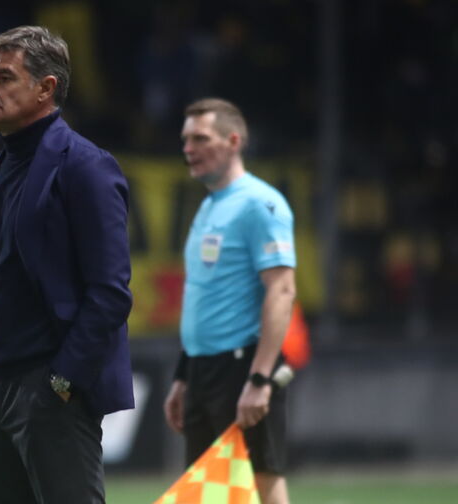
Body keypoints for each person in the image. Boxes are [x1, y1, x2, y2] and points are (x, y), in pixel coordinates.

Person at [0, 26, 134, 504]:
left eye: (4, 78)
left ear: (45, 88)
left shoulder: (86, 166)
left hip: (49, 390)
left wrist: (64, 378)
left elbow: (110, 292)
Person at [163, 98, 297, 504]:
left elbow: (282, 289)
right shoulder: (208, 207)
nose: (189, 148)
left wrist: (259, 380)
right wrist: (184, 376)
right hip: (203, 370)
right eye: (186, 139)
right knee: (211, 490)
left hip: (243, 366)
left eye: (201, 138)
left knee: (261, 479)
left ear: (233, 141)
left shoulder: (260, 204)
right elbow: (203, 297)